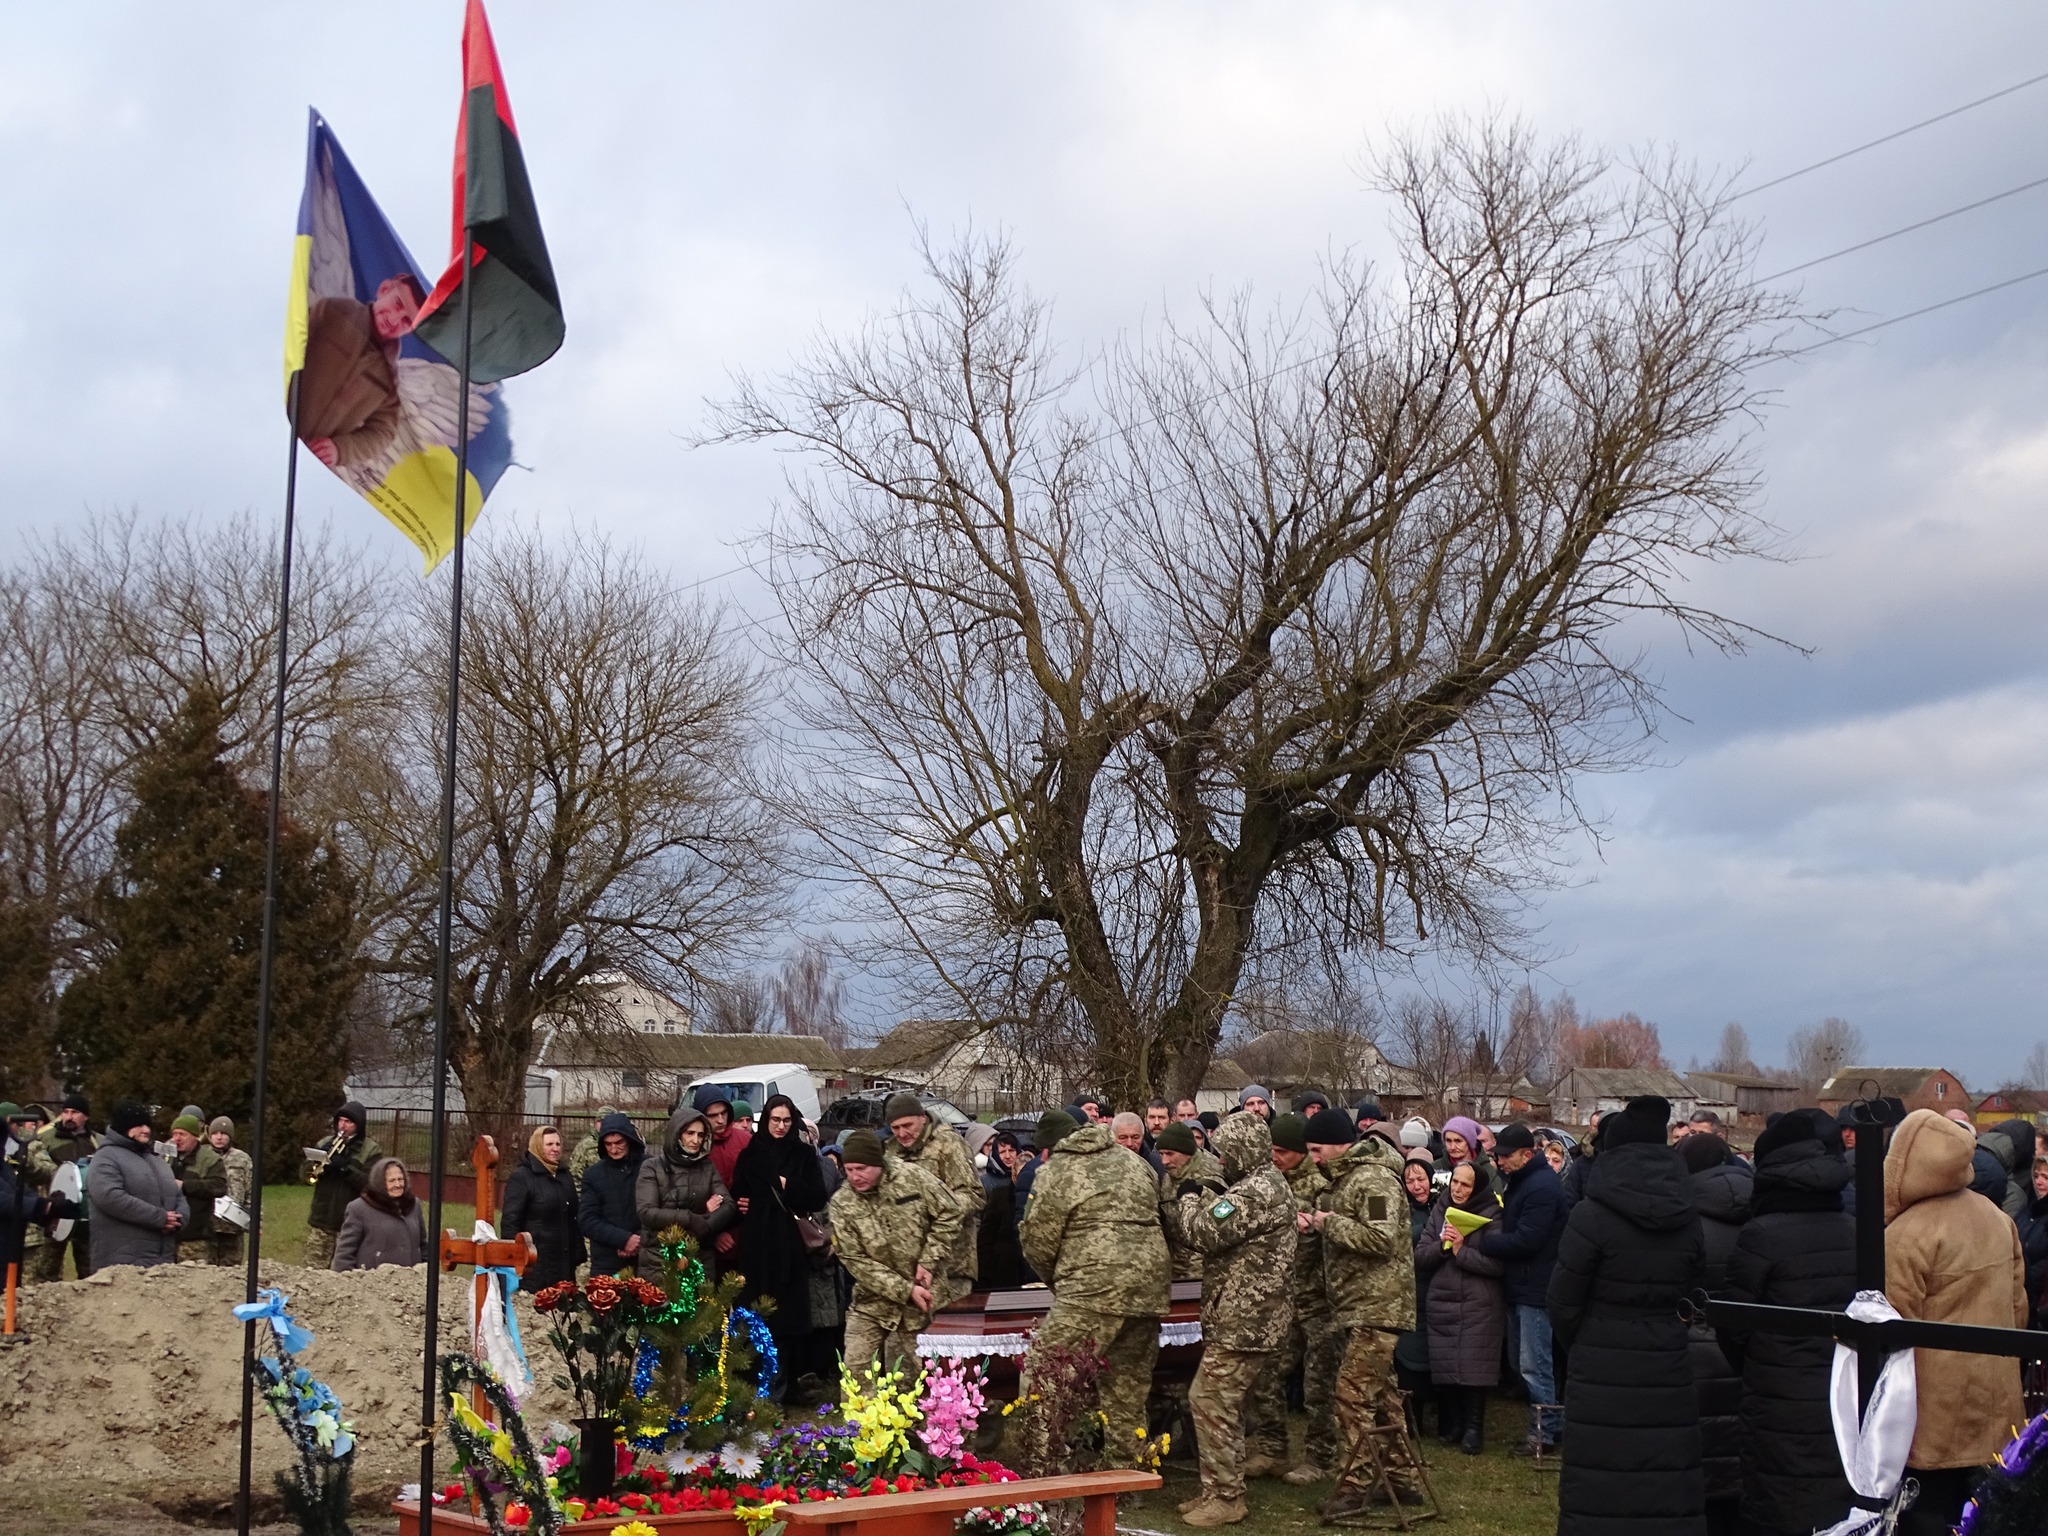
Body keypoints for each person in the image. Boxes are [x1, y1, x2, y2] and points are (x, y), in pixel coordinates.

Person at [1547, 1095, 1706, 1536]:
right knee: (1665, 1486)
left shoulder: (1590, 1216)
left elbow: (1562, 1300)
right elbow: (1696, 1287)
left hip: (1600, 1369)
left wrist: (1588, 1343)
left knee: (1599, 1491)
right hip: (1667, 1365)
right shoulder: (1687, 1217)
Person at [1884, 1107, 2027, 1536]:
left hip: (1931, 1417)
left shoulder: (1906, 1234)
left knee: (1929, 1515)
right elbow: (2017, 1311)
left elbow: (1890, 1331)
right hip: (1996, 1405)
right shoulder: (1998, 1218)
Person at [1716, 1108, 1857, 1536]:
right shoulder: (1858, 1231)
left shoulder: (1761, 1234)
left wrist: (1760, 1365)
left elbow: (1734, 1324)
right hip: (1844, 1392)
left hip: (1777, 1394)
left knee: (1779, 1503)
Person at [1164, 1111, 1297, 1527]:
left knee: (1208, 1399)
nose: (1222, 1161)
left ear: (1242, 1150)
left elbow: (1204, 1231)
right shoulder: (1259, 1185)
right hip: (1246, 1314)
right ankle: (1216, 1487)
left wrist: (1188, 1195)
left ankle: (1226, 1496)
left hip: (1247, 1317)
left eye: (1226, 1152)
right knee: (1222, 1402)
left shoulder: (1258, 1190)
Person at [1019, 1106, 1172, 1467]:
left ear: (1048, 1147)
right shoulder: (1135, 1163)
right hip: (1149, 1287)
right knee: (1127, 1384)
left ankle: (1043, 1467)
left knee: (1044, 1372)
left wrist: (1061, 1284)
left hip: (1091, 1287)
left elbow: (1038, 1242)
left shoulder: (1056, 1171)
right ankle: (1130, 1469)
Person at [1306, 1106, 1425, 1521]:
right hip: (1363, 1305)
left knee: (1351, 1393)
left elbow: (1380, 1238)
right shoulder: (1349, 1179)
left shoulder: (1373, 1179)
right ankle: (1401, 1478)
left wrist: (1327, 1223)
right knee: (1384, 1397)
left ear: (1341, 1145)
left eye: (1317, 1149)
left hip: (1379, 1305)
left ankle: (1355, 1485)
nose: (1314, 1157)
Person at [1248, 1111, 1339, 1486]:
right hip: (1282, 1303)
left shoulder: (1322, 1187)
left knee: (1319, 1386)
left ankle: (1321, 1458)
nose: (1275, 1156)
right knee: (1265, 1373)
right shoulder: (1271, 1183)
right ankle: (1272, 1448)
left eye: (1283, 1151)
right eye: (1272, 1149)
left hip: (1319, 1303)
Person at [830, 1128, 964, 1381]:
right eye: (848, 1170)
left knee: (910, 1376)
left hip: (922, 1297)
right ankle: (861, 1421)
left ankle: (913, 1420)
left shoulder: (911, 1177)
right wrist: (904, 1289)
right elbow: (855, 1260)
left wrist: (929, 1259)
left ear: (878, 1163)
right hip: (872, 1300)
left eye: (861, 1169)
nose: (854, 1177)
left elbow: (952, 1211)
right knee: (857, 1370)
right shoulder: (841, 1203)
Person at [1469, 1121, 1569, 1456]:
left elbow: (1528, 1240)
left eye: (1506, 1156)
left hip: (1535, 1289)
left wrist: (1486, 1242)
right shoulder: (1526, 1181)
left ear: (1527, 1154)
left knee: (1534, 1364)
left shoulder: (1541, 1187)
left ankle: (1545, 1434)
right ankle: (1548, 1427)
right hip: (1523, 1285)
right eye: (1497, 1155)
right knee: (1523, 1362)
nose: (1499, 1162)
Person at [730, 1093, 831, 1390]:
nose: (781, 1126)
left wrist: (788, 1185)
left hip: (789, 1244)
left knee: (786, 1319)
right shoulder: (752, 1153)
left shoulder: (802, 1154)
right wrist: (743, 1203)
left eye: (787, 1120)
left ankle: (782, 1388)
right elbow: (738, 1190)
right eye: (775, 1120)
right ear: (767, 1120)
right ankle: (751, 1387)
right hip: (757, 1243)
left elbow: (817, 1196)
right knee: (755, 1314)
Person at [1678, 1133, 1753, 1536]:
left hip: (1695, 1357)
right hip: (1746, 1354)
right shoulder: (1760, 1216)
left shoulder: (1683, 1224)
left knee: (1702, 1465)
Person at [1415, 1161, 1506, 1455]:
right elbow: (1420, 1254)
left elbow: (1497, 1263)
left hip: (1479, 1303)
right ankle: (1454, 1425)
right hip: (1442, 1298)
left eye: (1465, 1185)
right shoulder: (1440, 1208)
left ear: (1476, 1187)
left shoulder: (1492, 1214)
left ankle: (1473, 1429)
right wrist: (1443, 1246)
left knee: (1473, 1366)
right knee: (1446, 1363)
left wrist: (1461, 1252)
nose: (1457, 1189)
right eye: (1455, 1182)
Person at [882, 1092, 984, 1307]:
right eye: (895, 1128)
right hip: (908, 1268)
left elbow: (973, 1195)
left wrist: (935, 1211)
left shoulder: (948, 1144)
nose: (902, 1133)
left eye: (907, 1125)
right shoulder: (891, 1152)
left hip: (951, 1264)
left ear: (922, 1118)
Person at [636, 1105, 737, 1279]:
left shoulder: (707, 1167)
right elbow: (647, 1213)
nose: (696, 1140)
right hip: (659, 1260)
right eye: (690, 1133)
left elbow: (727, 1205)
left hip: (700, 1258)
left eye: (700, 1135)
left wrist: (706, 1225)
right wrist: (692, 1219)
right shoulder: (652, 1167)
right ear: (677, 1134)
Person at [89, 1103, 188, 1269]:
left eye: (148, 1125)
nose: (146, 1130)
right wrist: (160, 1218)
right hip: (121, 1265)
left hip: (162, 1263)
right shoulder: (105, 1158)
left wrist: (177, 1220)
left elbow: (177, 1193)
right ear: (124, 1127)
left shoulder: (157, 1161)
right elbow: (110, 1197)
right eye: (140, 1125)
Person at [499, 1125, 585, 1290]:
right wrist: (513, 1257)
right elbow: (511, 1220)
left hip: (564, 1260)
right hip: (536, 1261)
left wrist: (578, 1253)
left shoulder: (564, 1174)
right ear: (538, 1146)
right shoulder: (522, 1177)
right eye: (549, 1144)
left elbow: (573, 1216)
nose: (555, 1149)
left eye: (558, 1144)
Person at [29, 1092, 98, 1280]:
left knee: (91, 1271)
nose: (68, 1116)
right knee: (46, 1270)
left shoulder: (97, 1141)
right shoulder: (44, 1138)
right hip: (54, 1212)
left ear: (86, 1116)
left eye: (74, 1112)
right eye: (65, 1111)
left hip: (85, 1213)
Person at [305, 1101, 381, 1270]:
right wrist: (319, 1160)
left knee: (343, 1275)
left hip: (349, 1225)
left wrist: (344, 1169)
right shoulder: (325, 1141)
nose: (342, 1125)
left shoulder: (370, 1149)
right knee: (312, 1273)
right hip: (321, 1220)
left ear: (358, 1125)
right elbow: (305, 1174)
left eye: (348, 1122)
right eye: (340, 1120)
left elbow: (370, 1184)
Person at [577, 1111, 647, 1277]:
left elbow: (659, 1210)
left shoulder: (648, 1167)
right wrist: (623, 1239)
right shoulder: (593, 1175)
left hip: (645, 1260)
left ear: (629, 1140)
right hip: (607, 1262)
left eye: (619, 1143)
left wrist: (639, 1239)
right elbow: (587, 1220)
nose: (614, 1149)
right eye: (608, 1144)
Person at [333, 1156, 428, 1270]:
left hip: (411, 1281)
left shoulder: (413, 1205)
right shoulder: (359, 1208)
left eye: (400, 1179)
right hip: (374, 1282)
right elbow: (344, 1254)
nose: (397, 1185)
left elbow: (423, 1245)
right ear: (380, 1183)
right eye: (392, 1181)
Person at [167, 1113, 226, 1264]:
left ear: (195, 1136)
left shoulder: (209, 1159)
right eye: (174, 1134)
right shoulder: (166, 1157)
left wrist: (186, 1186)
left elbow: (219, 1187)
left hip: (196, 1239)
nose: (177, 1138)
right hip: (166, 1237)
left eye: (182, 1134)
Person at [206, 1117, 254, 1268]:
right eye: (215, 1133)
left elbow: (251, 1191)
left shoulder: (242, 1158)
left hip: (234, 1225)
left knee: (232, 1270)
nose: (219, 1137)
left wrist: (255, 1221)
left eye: (224, 1133)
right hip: (208, 1224)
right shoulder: (203, 1155)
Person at [702, 1094, 752, 1190]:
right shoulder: (696, 1144)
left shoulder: (748, 1140)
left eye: (724, 1113)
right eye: (713, 1115)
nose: (720, 1121)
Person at [568, 1104, 621, 1185]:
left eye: (606, 1121)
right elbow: (575, 1175)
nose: (603, 1125)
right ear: (596, 1123)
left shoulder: (620, 1141)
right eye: (600, 1121)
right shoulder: (589, 1144)